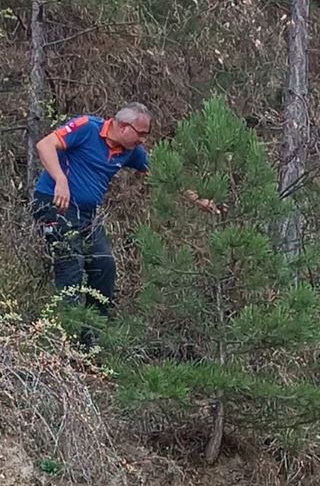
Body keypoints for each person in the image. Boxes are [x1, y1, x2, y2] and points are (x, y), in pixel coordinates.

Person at [29, 102, 213, 346]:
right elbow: (45, 144)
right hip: (54, 204)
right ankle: (63, 340)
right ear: (124, 126)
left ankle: (89, 342)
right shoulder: (87, 127)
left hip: (87, 215)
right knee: (70, 265)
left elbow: (164, 175)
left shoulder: (131, 152)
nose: (143, 141)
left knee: (105, 266)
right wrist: (60, 179)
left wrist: (199, 200)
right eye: (141, 134)